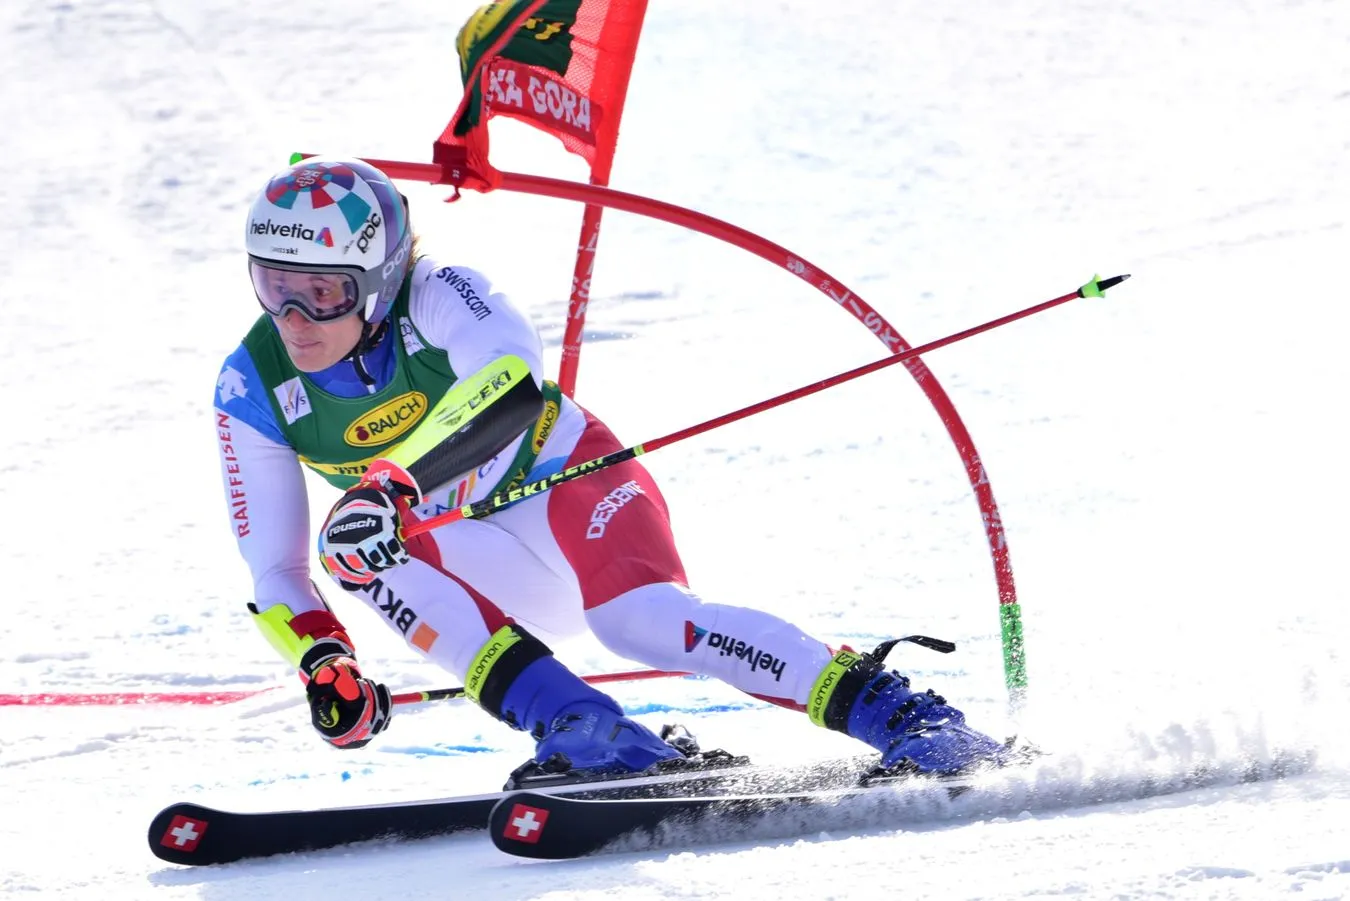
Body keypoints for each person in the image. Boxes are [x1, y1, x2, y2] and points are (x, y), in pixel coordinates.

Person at [214, 156, 1011, 781]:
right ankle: (586, 728)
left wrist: (393, 480)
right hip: (473, 554)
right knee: (346, 541)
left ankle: (907, 718)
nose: (293, 320)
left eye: (320, 294)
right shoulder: (252, 385)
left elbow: (512, 390)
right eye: (272, 287)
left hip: (561, 479)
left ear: (381, 280)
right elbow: (275, 566)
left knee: (639, 622)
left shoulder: (442, 292)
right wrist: (325, 661)